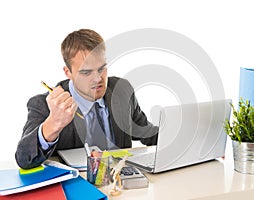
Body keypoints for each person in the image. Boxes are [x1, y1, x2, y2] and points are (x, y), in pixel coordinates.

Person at [15, 29, 158, 169]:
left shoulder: (122, 90)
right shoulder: (44, 105)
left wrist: (175, 135)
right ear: (68, 72)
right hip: (76, 186)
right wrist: (54, 124)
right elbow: (24, 159)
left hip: (119, 184)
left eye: (102, 69)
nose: (97, 79)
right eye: (86, 72)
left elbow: (145, 131)